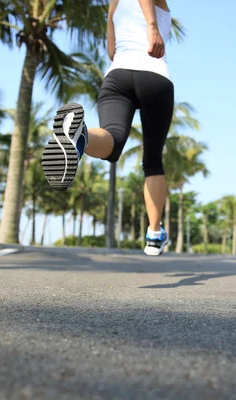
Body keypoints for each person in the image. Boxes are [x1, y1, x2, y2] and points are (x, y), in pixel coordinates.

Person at [42, 0, 174, 256]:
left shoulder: (113, 4)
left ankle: (80, 136)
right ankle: (155, 234)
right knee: (153, 160)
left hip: (118, 75)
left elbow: (111, 51)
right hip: (154, 74)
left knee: (112, 139)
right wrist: (152, 26)